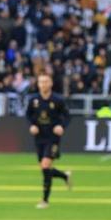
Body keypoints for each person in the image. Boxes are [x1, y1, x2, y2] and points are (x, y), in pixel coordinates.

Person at [25, 72, 72, 209]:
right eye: (41, 82)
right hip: (39, 137)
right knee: (44, 168)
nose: (43, 84)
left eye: (46, 81)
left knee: (45, 165)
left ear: (51, 83)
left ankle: (45, 201)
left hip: (53, 137)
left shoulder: (57, 100)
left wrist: (61, 126)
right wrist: (31, 125)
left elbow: (67, 116)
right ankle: (64, 176)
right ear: (38, 84)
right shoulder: (33, 100)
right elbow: (28, 115)